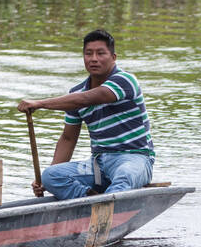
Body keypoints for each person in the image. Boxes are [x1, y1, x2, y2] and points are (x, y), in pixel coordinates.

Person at [17, 29, 154, 199]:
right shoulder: (76, 93)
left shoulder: (125, 80)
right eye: (89, 54)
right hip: (99, 164)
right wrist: (45, 183)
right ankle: (89, 200)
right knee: (51, 175)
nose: (94, 59)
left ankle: (105, 208)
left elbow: (88, 98)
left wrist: (40, 103)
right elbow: (68, 138)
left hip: (134, 159)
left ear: (114, 57)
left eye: (100, 53)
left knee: (124, 176)